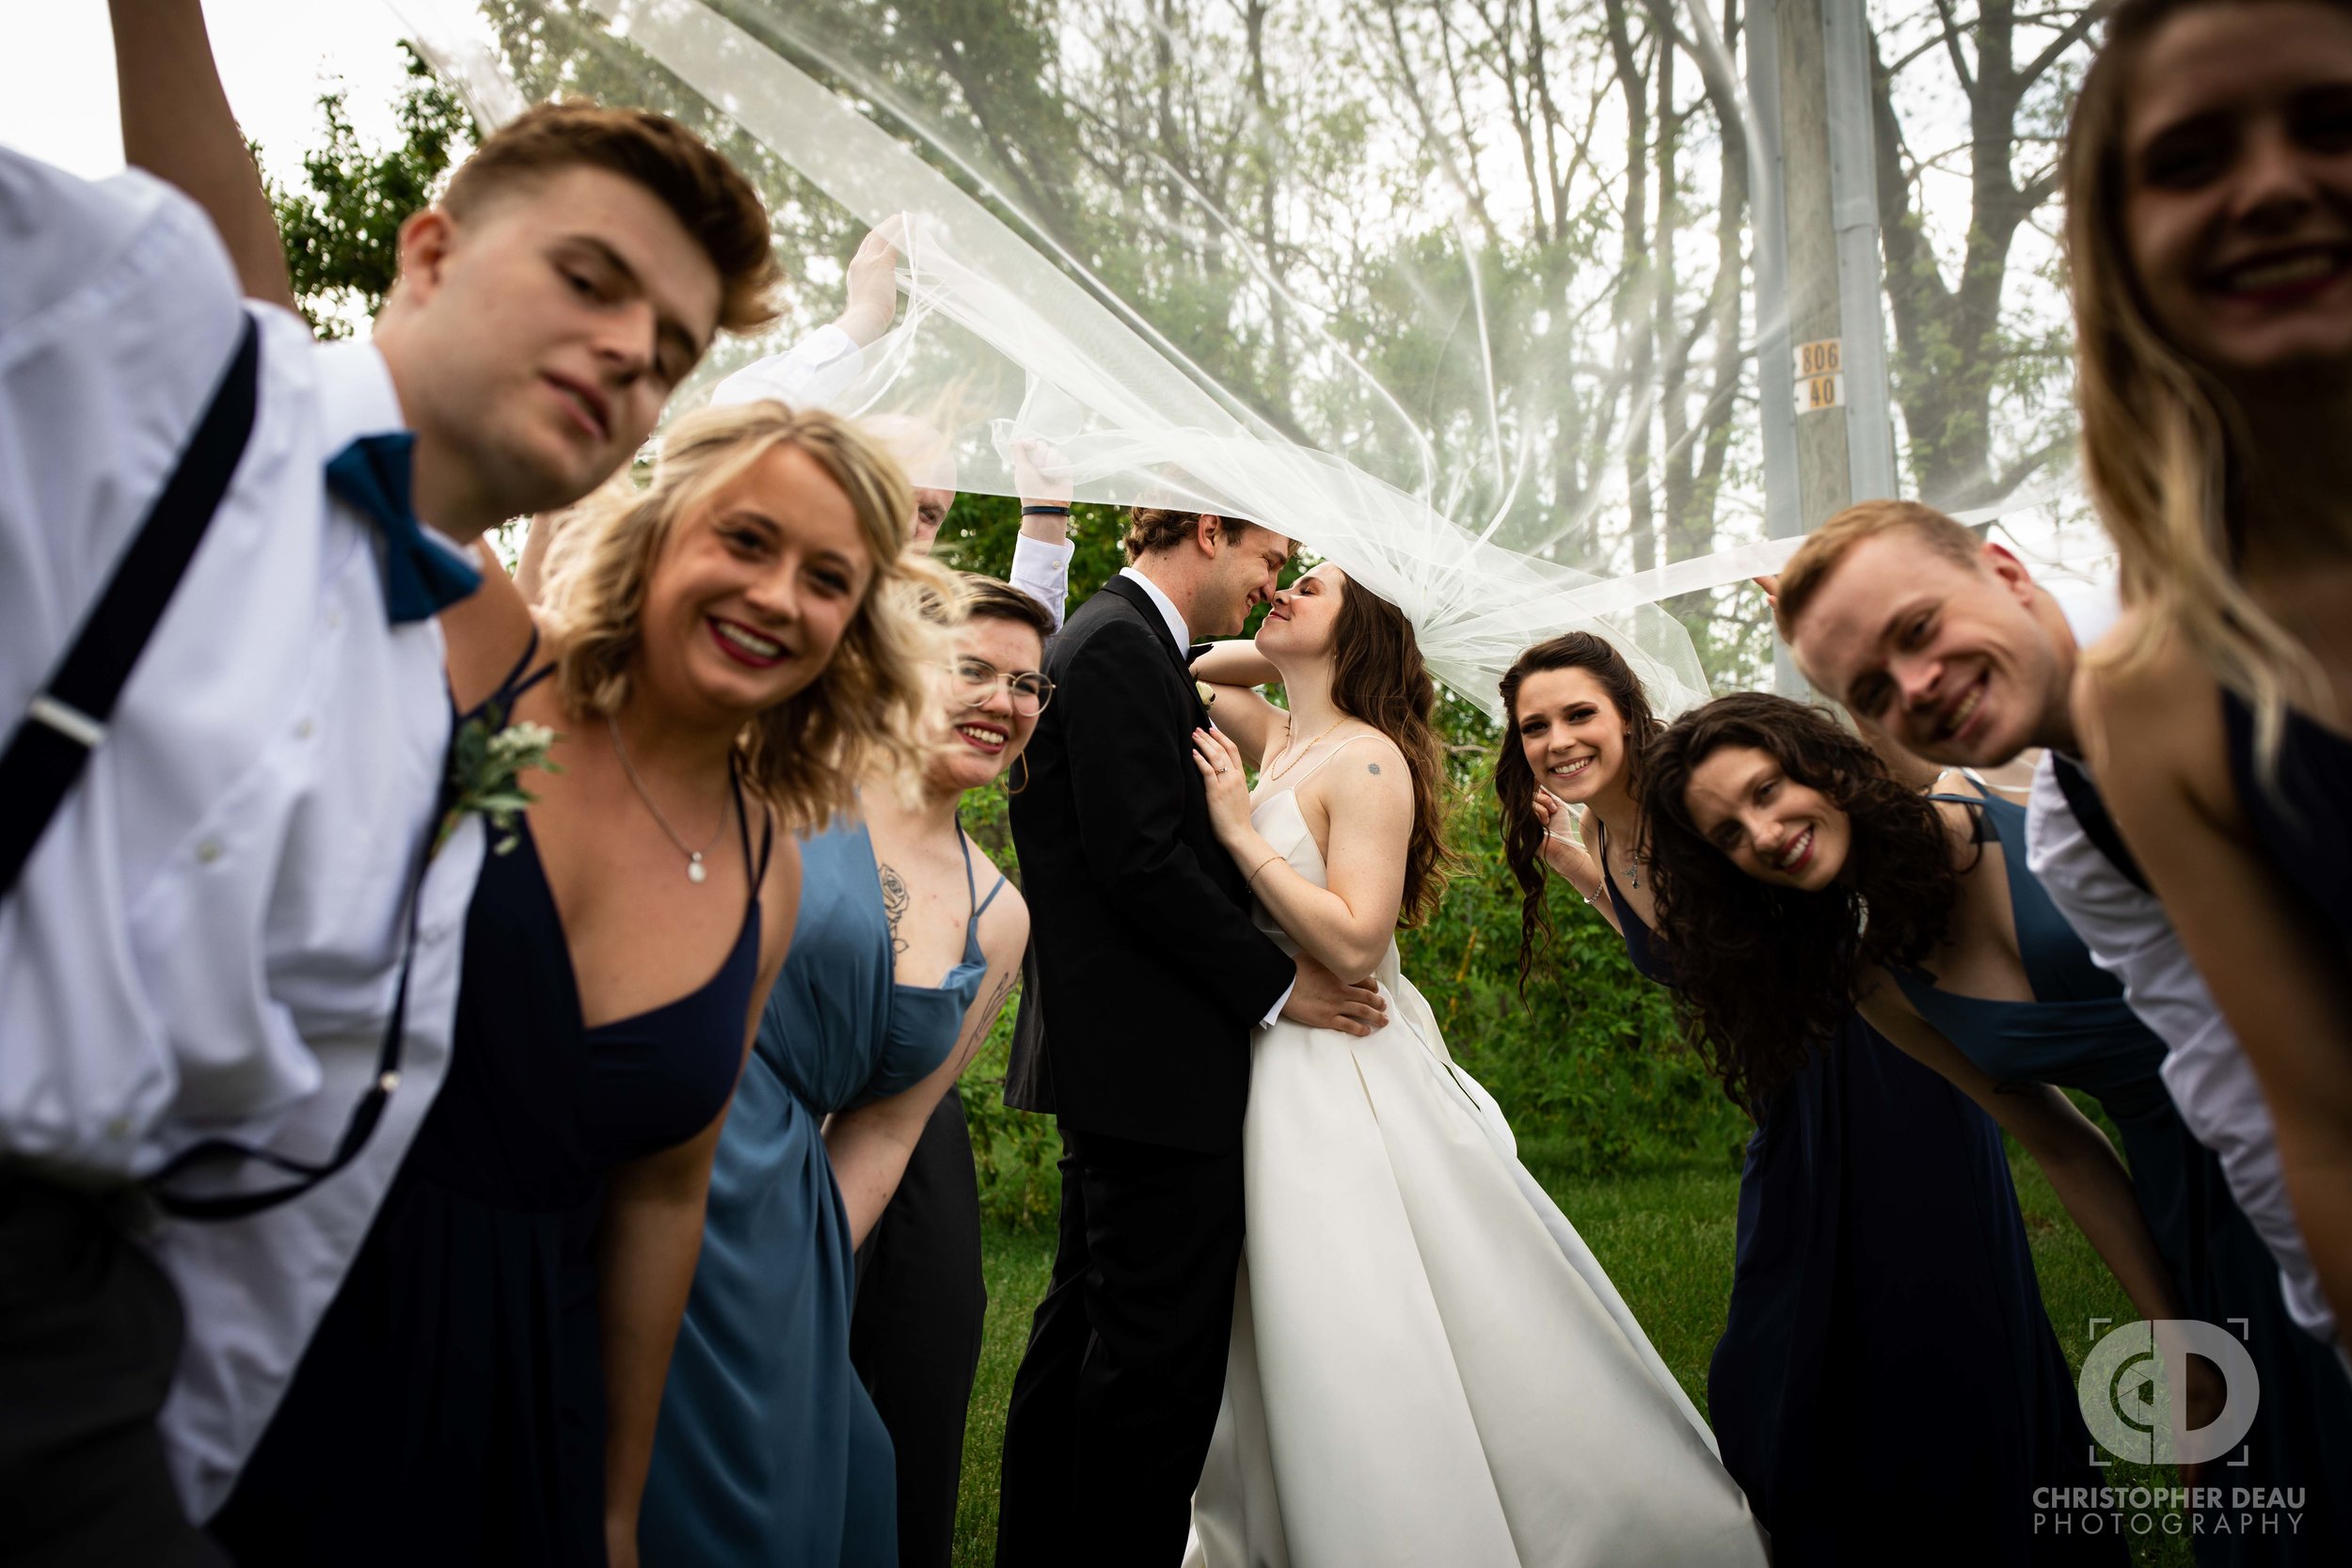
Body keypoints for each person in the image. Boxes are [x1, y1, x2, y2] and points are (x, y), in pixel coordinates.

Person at [0, 5, 772, 1560]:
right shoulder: (151, 336)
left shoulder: (427, 720)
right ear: (425, 257)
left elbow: (288, 1203)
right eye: (588, 280)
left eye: (671, 353)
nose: (631, 352)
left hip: (74, 1332)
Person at [205, 401, 934, 1567]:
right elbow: (292, 392)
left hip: (524, 1364)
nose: (776, 595)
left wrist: (610, 1503)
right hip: (291, 1293)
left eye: (825, 578)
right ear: (656, 531)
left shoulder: (767, 873)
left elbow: (662, 1194)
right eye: (745, 540)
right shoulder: (488, 661)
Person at [1658, 690, 2352, 1560]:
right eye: (1729, 835)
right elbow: (2063, 1146)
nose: (1761, 833)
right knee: (2273, 1497)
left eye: (1765, 791)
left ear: (1826, 764)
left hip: (2309, 1114)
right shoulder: (1880, 984)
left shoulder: (2019, 789)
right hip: (2195, 1205)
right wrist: (2181, 1344)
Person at [1175, 577, 1766, 1567]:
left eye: (1307, 584)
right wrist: (1294, 629)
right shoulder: (1277, 735)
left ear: (1360, 626)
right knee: (1278, 1313)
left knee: (1360, 1305)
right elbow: (1196, 664)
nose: (1278, 588)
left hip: (1345, 1066)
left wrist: (1238, 831)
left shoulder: (1366, 759)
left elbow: (1358, 942)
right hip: (1275, 1059)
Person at [1496, 639, 2115, 1564]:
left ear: (1626, 707)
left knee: (1928, 1298)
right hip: (1792, 1095)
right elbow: (1683, 950)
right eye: (1534, 725)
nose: (1557, 738)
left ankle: (1973, 1518)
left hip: (1880, 1059)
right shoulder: (1599, 833)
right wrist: (1584, 875)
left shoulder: (1698, 805)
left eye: (1577, 712)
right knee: (1781, 1327)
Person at [1771, 498, 2348, 1392]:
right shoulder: (2076, 842)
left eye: (1918, 627)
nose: (1914, 686)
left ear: (2007, 572)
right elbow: (2220, 1073)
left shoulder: (2225, 650)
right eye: (1872, 689)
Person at [993, 506, 1389, 1566]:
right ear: (1208, 531)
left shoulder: (1122, 639)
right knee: (1152, 1367)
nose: (1271, 582)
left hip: (1124, 1056)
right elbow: (1140, 861)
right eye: (1268, 555)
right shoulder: (1121, 644)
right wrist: (1277, 986)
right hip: (1154, 1061)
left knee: (1084, 1332)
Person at [2059, 0, 2352, 1354]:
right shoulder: (2164, 695)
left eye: (2330, 126)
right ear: (2121, 251)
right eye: (2190, 160)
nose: (2278, 182)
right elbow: (2328, 1137)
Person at [642, 574, 1040, 1563]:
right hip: (653, 1143)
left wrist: (798, 1273)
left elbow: (890, 1127)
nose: (1003, 701)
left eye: (1029, 686)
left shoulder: (1002, 918)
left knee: (819, 1474)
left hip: (785, 1212)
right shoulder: (779, 778)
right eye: (973, 670)